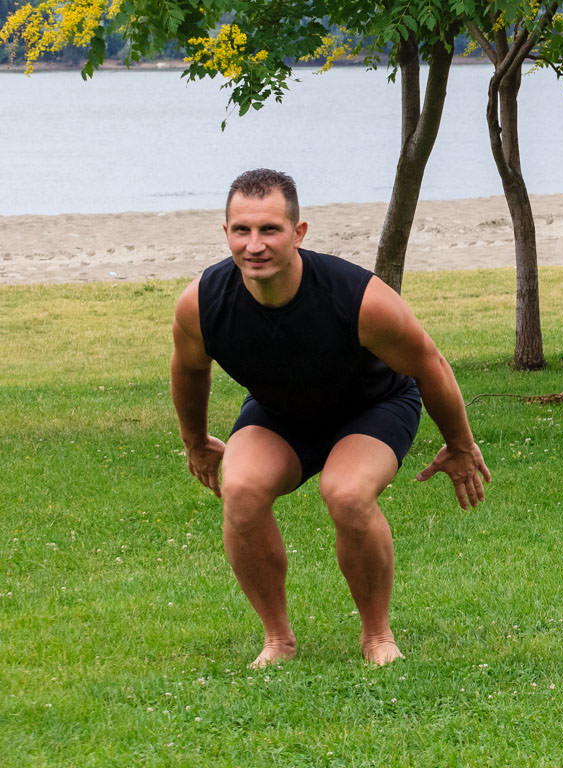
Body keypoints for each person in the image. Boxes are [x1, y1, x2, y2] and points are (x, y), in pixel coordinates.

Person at [170, 167, 489, 669]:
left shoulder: (358, 298)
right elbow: (189, 369)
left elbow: (430, 364)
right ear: (225, 232)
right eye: (242, 230)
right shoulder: (203, 303)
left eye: (270, 229)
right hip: (281, 412)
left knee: (346, 492)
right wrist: (195, 441)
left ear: (298, 233)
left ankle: (377, 637)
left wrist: (461, 443)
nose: (255, 244)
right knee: (241, 489)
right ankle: (278, 640)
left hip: (373, 407)